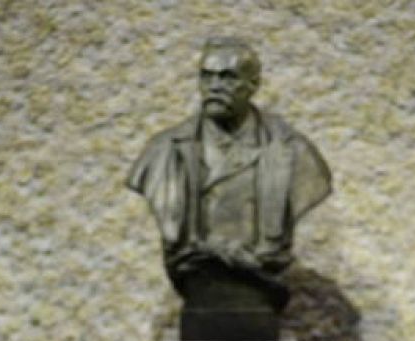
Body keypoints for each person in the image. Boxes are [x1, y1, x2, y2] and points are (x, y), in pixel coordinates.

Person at [126, 37, 332, 317]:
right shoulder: (164, 151)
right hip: (199, 290)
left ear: (253, 84)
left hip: (258, 298)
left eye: (227, 77)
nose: (214, 86)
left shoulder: (294, 152)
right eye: (207, 76)